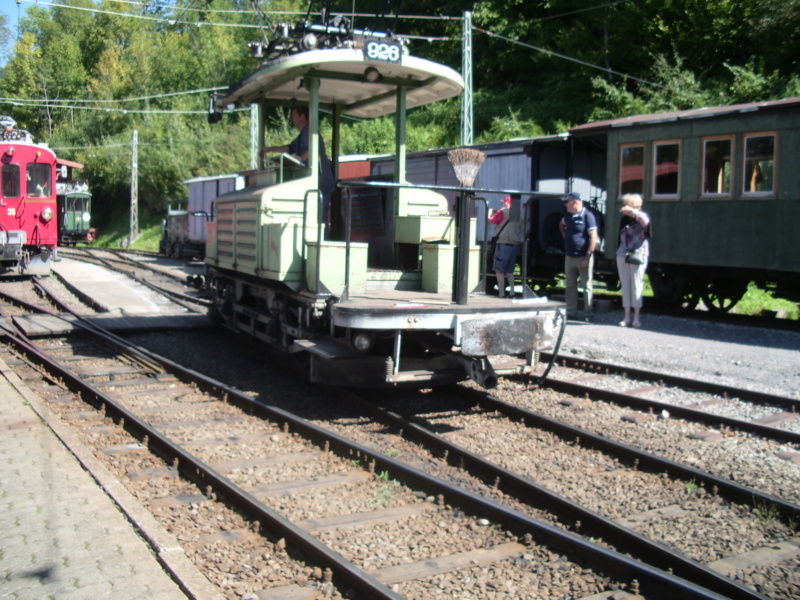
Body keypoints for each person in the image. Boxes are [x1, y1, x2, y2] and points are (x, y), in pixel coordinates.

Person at [259, 107, 335, 229]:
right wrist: (270, 149)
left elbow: (313, 150)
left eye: (294, 115)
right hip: (312, 180)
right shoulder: (303, 134)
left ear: (302, 116)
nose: (292, 119)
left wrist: (299, 158)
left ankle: (321, 241)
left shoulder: (311, 132)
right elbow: (290, 148)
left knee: (320, 216)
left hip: (320, 180)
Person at [559, 191, 598, 321]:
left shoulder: (588, 216)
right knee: (570, 286)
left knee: (586, 286)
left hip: (583, 256)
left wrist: (588, 256)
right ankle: (571, 312)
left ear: (575, 202)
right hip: (569, 256)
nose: (565, 205)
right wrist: (564, 235)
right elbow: (561, 224)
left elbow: (593, 237)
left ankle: (588, 313)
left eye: (567, 202)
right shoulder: (569, 216)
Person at [616, 193, 651, 328]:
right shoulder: (625, 219)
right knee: (625, 285)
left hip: (638, 254)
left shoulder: (641, 218)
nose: (623, 207)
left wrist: (633, 211)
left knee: (636, 285)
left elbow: (645, 221)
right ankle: (626, 316)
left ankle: (636, 317)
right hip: (622, 254)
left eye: (625, 204)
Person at [488, 195, 523, 298]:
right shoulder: (518, 214)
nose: (503, 204)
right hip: (515, 243)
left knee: (499, 269)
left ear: (508, 203)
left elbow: (490, 221)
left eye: (504, 202)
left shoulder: (503, 212)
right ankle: (512, 292)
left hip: (503, 242)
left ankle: (501, 293)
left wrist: (490, 212)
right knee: (509, 271)